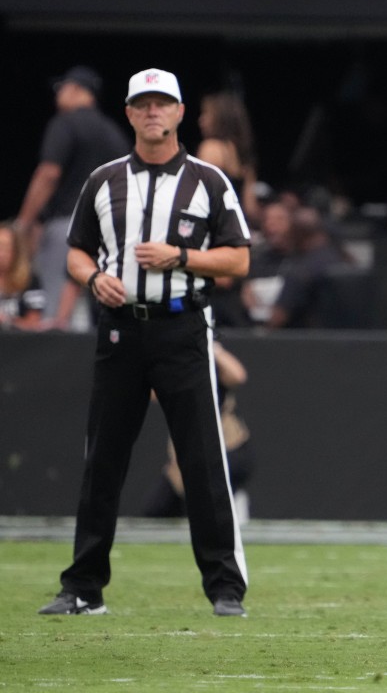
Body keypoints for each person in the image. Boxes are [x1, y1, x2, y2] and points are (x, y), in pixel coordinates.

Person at [38, 68, 252, 618]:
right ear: (129, 114)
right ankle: (83, 587)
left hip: (183, 327)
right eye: (143, 104)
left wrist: (180, 257)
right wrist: (91, 279)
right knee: (103, 458)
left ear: (179, 113)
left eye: (163, 103)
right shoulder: (102, 181)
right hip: (120, 328)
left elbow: (238, 258)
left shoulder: (208, 181)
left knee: (203, 460)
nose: (153, 112)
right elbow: (76, 251)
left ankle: (225, 588)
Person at [14, 65, 128, 331]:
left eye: (62, 88)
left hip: (69, 227)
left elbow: (49, 174)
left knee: (55, 313)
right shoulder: (115, 133)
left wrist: (24, 223)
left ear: (76, 90)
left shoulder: (65, 123)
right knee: (97, 311)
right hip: (110, 233)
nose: (58, 94)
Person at [143, 341, 254, 521]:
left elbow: (238, 375)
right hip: (187, 448)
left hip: (226, 444)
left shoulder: (210, 360)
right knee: (157, 509)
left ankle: (230, 504)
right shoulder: (175, 365)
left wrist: (213, 348)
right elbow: (153, 393)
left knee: (205, 495)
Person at [196, 91, 261, 227]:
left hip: (214, 227)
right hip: (236, 229)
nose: (201, 120)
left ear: (221, 118)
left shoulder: (211, 148)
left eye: (206, 114)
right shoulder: (243, 156)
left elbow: (201, 194)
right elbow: (251, 209)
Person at [0, 221, 46, 330]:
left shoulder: (30, 280)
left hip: (19, 343)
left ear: (16, 251)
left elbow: (34, 325)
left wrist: (6, 321)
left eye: (6, 248)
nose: (1, 254)